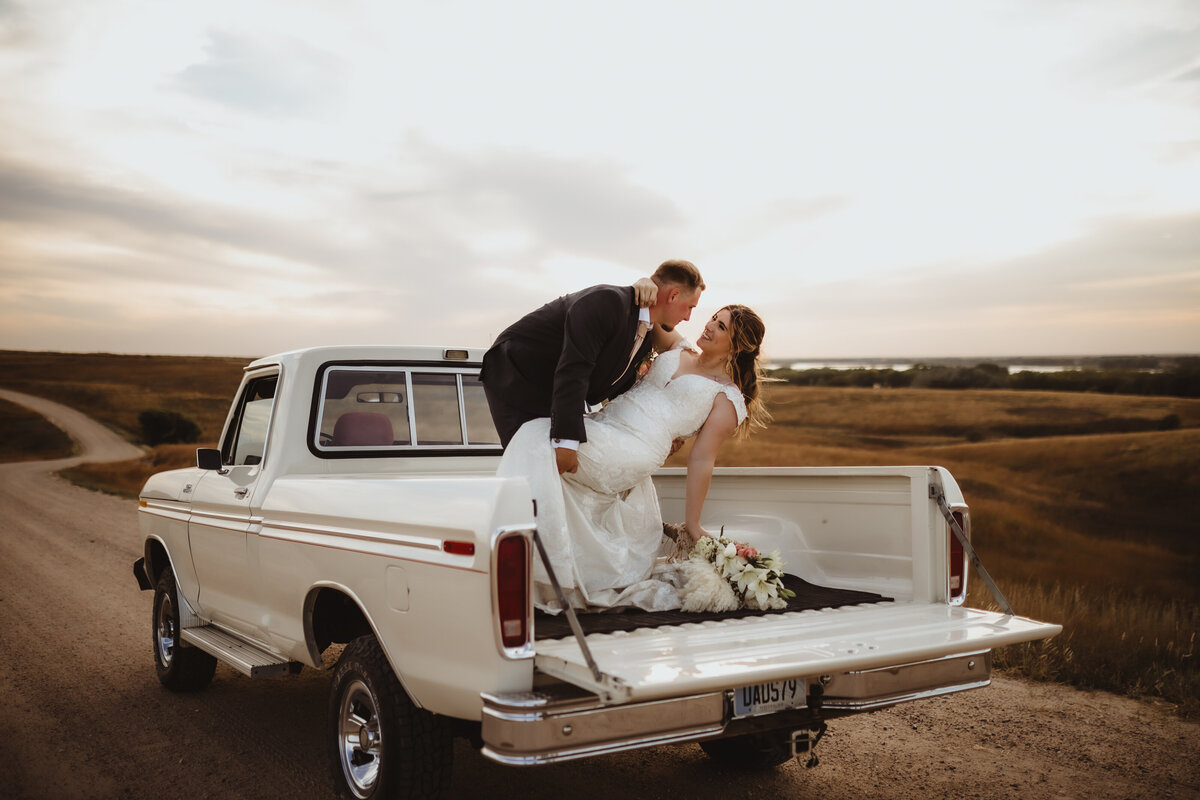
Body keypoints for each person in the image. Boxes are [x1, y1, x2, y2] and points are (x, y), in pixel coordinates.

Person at [496, 303, 771, 612]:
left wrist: (692, 524)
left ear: (738, 347)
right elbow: (651, 311)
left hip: (636, 449)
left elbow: (702, 460)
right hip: (603, 425)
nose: (708, 326)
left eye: (721, 327)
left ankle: (540, 571)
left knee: (537, 438)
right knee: (542, 437)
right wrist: (643, 286)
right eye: (713, 318)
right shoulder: (679, 347)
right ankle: (544, 572)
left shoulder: (727, 398)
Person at [480, 260, 706, 479]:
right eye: (689, 307)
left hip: (554, 388)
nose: (688, 317)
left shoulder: (645, 335)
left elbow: (614, 385)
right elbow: (574, 369)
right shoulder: (606, 302)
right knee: (531, 461)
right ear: (674, 295)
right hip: (518, 373)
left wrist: (655, 432)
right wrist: (566, 442)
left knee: (555, 468)